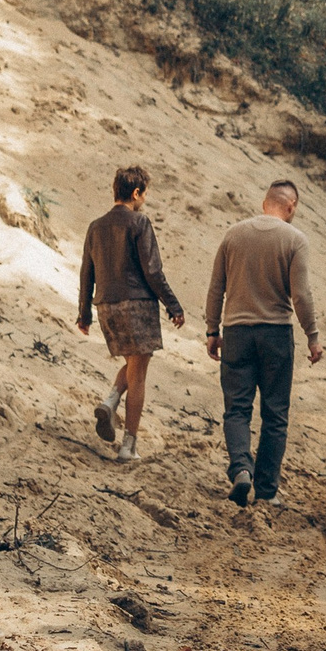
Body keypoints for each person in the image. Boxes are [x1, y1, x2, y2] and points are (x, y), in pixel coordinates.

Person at [203, 179, 323, 507]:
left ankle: (241, 468)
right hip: (276, 336)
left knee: (237, 409)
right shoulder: (295, 239)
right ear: (291, 206)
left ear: (264, 202)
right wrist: (312, 336)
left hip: (237, 334)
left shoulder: (233, 234)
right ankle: (267, 491)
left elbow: (217, 287)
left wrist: (212, 330)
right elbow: (301, 294)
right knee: (275, 414)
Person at [77, 165, 185, 462]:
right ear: (136, 192)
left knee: (133, 365)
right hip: (137, 304)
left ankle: (111, 402)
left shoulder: (95, 226)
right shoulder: (139, 222)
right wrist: (173, 305)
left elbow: (87, 272)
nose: (145, 200)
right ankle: (129, 445)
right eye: (145, 194)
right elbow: (153, 270)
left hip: (106, 306)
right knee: (139, 375)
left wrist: (83, 313)